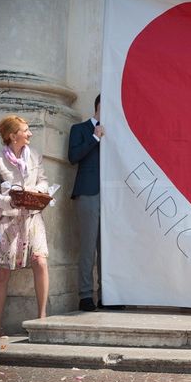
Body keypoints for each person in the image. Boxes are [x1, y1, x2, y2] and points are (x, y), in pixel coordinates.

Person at [0, 115, 50, 338]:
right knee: (2, 272)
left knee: (40, 261)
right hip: (8, 220)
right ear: (13, 136)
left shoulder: (34, 156)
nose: (30, 133)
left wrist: (39, 192)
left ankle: (42, 320)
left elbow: (42, 180)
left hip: (33, 217)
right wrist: (10, 200)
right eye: (25, 130)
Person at [69, 94, 119, 311]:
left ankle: (106, 295)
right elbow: (73, 156)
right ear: (99, 106)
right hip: (88, 193)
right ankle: (86, 296)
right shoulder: (79, 129)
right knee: (88, 247)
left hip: (112, 196)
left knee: (107, 248)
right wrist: (95, 138)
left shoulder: (116, 131)